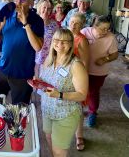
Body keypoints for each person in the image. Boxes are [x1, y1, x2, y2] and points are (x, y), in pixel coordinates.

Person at [38, 28, 88, 157]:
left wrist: (60, 95)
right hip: (47, 109)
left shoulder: (76, 65)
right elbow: (44, 80)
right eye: (57, 40)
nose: (60, 44)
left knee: (59, 151)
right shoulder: (49, 60)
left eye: (65, 42)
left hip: (66, 113)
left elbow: (82, 94)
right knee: (49, 139)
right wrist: (37, 81)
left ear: (71, 43)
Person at [0, 0, 44, 104]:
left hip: (22, 75)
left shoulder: (37, 20)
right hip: (2, 70)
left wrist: (26, 23)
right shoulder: (7, 15)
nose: (18, 3)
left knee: (19, 112)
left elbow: (38, 47)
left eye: (22, 0)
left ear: (31, 2)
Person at [81, 15, 118, 127]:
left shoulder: (111, 38)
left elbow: (115, 55)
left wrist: (105, 59)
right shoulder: (85, 32)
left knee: (93, 92)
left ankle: (92, 113)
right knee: (81, 90)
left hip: (98, 72)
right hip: (82, 69)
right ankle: (79, 110)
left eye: (108, 28)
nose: (106, 31)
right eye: (103, 29)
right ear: (94, 26)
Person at [68, 13, 90, 151]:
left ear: (82, 26)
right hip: (64, 76)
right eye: (71, 21)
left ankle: (79, 136)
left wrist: (80, 81)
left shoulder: (82, 40)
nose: (73, 25)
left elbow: (85, 63)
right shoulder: (66, 36)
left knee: (78, 108)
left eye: (77, 23)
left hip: (76, 77)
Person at [35, 0, 59, 76]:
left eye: (49, 9)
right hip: (32, 58)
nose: (46, 10)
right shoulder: (33, 22)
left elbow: (57, 42)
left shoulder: (54, 25)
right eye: (44, 7)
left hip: (48, 59)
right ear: (39, 8)